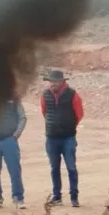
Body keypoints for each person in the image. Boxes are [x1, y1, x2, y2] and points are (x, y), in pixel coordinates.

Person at [40, 69, 84, 207]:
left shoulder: (72, 94)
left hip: (68, 137)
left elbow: (79, 114)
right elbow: (44, 112)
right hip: (52, 138)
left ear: (62, 82)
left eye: (55, 81)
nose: (53, 84)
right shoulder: (45, 94)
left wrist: (69, 125)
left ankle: (74, 197)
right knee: (54, 168)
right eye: (51, 81)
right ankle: (57, 196)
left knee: (71, 167)